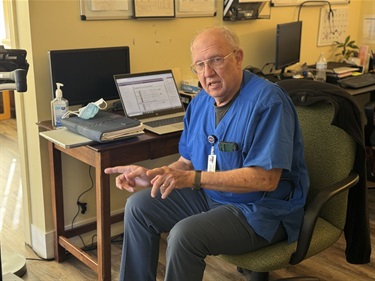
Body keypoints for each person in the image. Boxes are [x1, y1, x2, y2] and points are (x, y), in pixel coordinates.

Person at [104, 25, 309, 281]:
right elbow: (187, 162)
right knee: (138, 206)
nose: (207, 72)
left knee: (184, 235)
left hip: (259, 210)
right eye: (199, 65)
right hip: (211, 197)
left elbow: (265, 179)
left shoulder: (268, 102)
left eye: (215, 60)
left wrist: (192, 179)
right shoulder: (200, 102)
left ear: (238, 57)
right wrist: (156, 175)